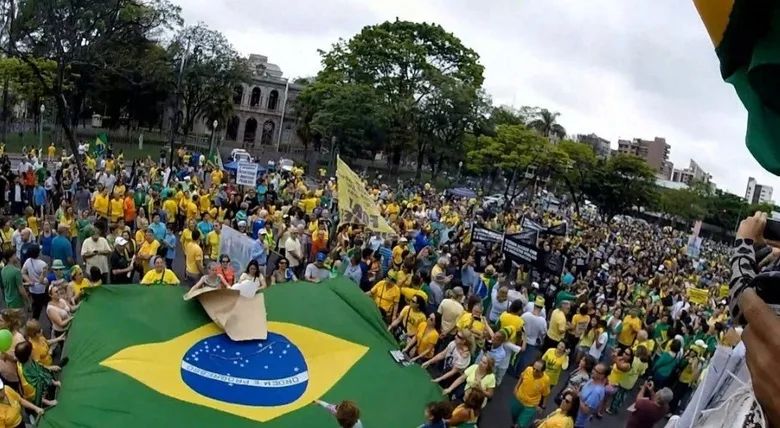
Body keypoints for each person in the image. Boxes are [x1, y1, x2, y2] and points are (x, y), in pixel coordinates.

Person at [14, 341, 59, 408]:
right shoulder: (26, 375)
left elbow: (41, 370)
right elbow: (35, 394)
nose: (34, 350)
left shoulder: (28, 361)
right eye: (32, 349)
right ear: (28, 355)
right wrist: (49, 402)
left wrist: (54, 382)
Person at [512, 359, 551, 428]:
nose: (534, 371)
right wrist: (516, 387)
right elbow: (522, 377)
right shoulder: (528, 369)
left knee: (521, 424)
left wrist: (542, 406)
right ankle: (514, 424)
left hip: (531, 405)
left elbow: (545, 394)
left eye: (537, 370)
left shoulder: (546, 380)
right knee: (514, 414)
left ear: (542, 371)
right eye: (534, 368)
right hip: (519, 398)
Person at [575, 363, 609, 428]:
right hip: (574, 416)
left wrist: (578, 396)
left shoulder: (596, 392)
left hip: (579, 423)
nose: (593, 371)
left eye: (596, 371)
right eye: (594, 368)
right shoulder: (592, 380)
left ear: (602, 376)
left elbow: (586, 410)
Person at [20, 245, 47, 319]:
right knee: (39, 307)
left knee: (35, 302)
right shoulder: (43, 264)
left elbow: (23, 273)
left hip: (32, 288)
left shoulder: (28, 261)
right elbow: (44, 278)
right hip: (41, 289)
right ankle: (34, 321)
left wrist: (29, 280)